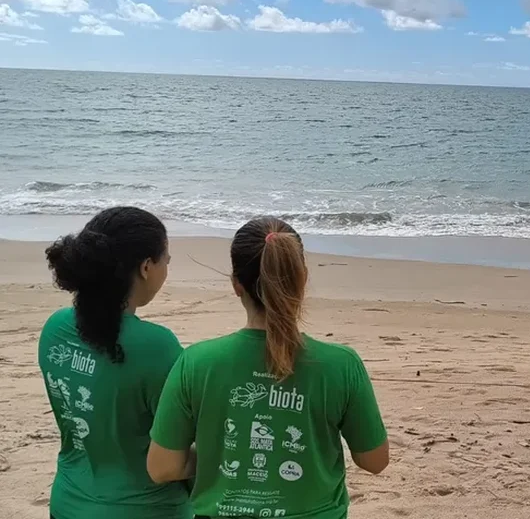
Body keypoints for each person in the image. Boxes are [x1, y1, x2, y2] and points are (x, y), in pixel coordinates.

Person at [147, 217, 389, 519]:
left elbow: (162, 467)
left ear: (236, 284)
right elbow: (375, 461)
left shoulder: (197, 362)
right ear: (301, 279)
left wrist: (221, 454)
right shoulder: (341, 364)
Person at [37, 206, 192, 519]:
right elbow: (172, 462)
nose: (167, 265)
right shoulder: (157, 346)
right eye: (166, 258)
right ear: (147, 267)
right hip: (146, 509)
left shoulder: (56, 328)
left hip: (68, 503)